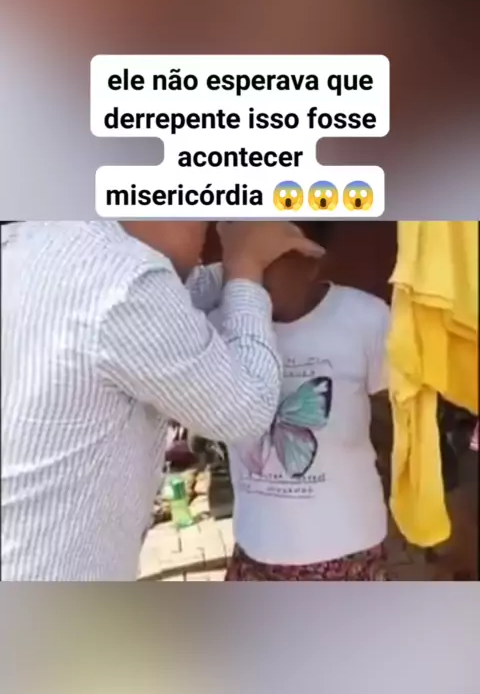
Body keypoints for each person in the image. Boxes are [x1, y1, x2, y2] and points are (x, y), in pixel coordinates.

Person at [1, 220, 323, 581]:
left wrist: (241, 266)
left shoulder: (31, 245)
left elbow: (177, 295)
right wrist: (245, 269)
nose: (205, 237)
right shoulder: (122, 279)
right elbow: (248, 409)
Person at [208, 233, 392, 580]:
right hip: (255, 548)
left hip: (346, 549)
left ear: (311, 260)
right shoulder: (220, 324)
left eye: (264, 258)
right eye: (240, 258)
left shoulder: (366, 318)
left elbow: (391, 416)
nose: (250, 273)